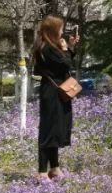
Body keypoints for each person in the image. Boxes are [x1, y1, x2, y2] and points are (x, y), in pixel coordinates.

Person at [31, 15, 78, 180]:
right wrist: (65, 50)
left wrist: (70, 47)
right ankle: (42, 172)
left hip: (55, 91)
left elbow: (63, 64)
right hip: (52, 93)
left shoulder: (50, 46)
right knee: (47, 132)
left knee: (54, 131)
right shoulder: (47, 48)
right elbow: (65, 64)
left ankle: (55, 168)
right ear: (52, 30)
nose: (62, 31)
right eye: (60, 28)